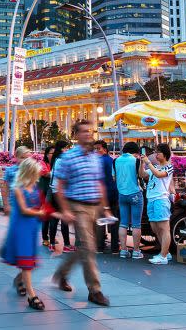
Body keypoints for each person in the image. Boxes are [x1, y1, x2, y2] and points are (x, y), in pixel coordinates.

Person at [51, 120, 111, 306]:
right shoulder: (67, 158)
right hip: (77, 206)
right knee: (89, 248)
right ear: (76, 135)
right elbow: (58, 187)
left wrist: (106, 208)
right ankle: (95, 290)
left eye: (90, 131)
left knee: (84, 248)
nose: (88, 134)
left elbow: (99, 183)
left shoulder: (95, 157)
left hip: (95, 206)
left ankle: (62, 273)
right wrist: (66, 210)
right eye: (84, 131)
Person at [0, 158, 48, 311]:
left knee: (30, 261)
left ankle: (19, 281)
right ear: (29, 172)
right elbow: (24, 209)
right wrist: (40, 212)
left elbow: (38, 204)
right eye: (36, 172)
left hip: (32, 227)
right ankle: (31, 295)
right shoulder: (18, 189)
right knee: (27, 263)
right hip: (21, 228)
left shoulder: (33, 186)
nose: (38, 175)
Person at [140, 143, 174, 265]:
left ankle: (163, 256)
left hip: (161, 199)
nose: (156, 154)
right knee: (155, 227)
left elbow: (159, 175)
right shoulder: (154, 166)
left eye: (158, 152)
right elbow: (143, 175)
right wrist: (142, 163)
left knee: (164, 228)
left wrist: (148, 163)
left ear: (165, 154)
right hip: (151, 199)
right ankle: (166, 252)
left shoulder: (168, 167)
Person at [114, 142, 144, 259]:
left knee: (123, 223)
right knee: (136, 224)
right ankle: (136, 251)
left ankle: (123, 250)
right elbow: (141, 176)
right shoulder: (136, 160)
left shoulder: (115, 161)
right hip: (135, 194)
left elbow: (114, 177)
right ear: (135, 152)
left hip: (121, 194)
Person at [46, 141, 73, 253]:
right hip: (61, 193)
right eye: (66, 148)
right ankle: (66, 245)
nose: (67, 150)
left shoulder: (56, 159)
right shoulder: (62, 160)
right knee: (64, 219)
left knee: (54, 220)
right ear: (61, 148)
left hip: (53, 191)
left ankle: (52, 243)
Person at [94, 140, 119, 254]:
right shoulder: (112, 160)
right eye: (95, 149)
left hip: (102, 195)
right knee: (113, 221)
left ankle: (100, 247)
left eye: (98, 148)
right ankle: (114, 248)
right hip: (114, 193)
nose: (96, 151)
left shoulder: (98, 161)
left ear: (105, 149)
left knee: (100, 220)